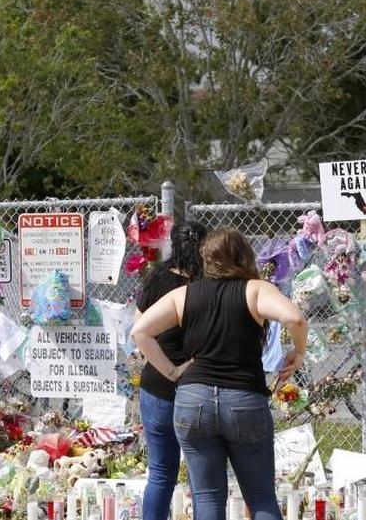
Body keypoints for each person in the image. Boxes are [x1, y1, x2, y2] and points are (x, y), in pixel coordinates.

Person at [132, 227, 309, 520]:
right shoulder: (254, 289)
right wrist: (298, 353)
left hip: (193, 399)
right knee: (261, 496)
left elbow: (140, 331)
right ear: (244, 256)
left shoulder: (183, 295)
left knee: (208, 499)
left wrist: (172, 371)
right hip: (243, 398)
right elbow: (295, 318)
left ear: (206, 258)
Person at [137, 221, 208, 520]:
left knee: (161, 471)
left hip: (156, 384)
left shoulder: (157, 280)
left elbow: (139, 329)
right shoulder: (208, 287)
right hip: (195, 385)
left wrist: (168, 370)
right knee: (201, 474)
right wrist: (178, 371)